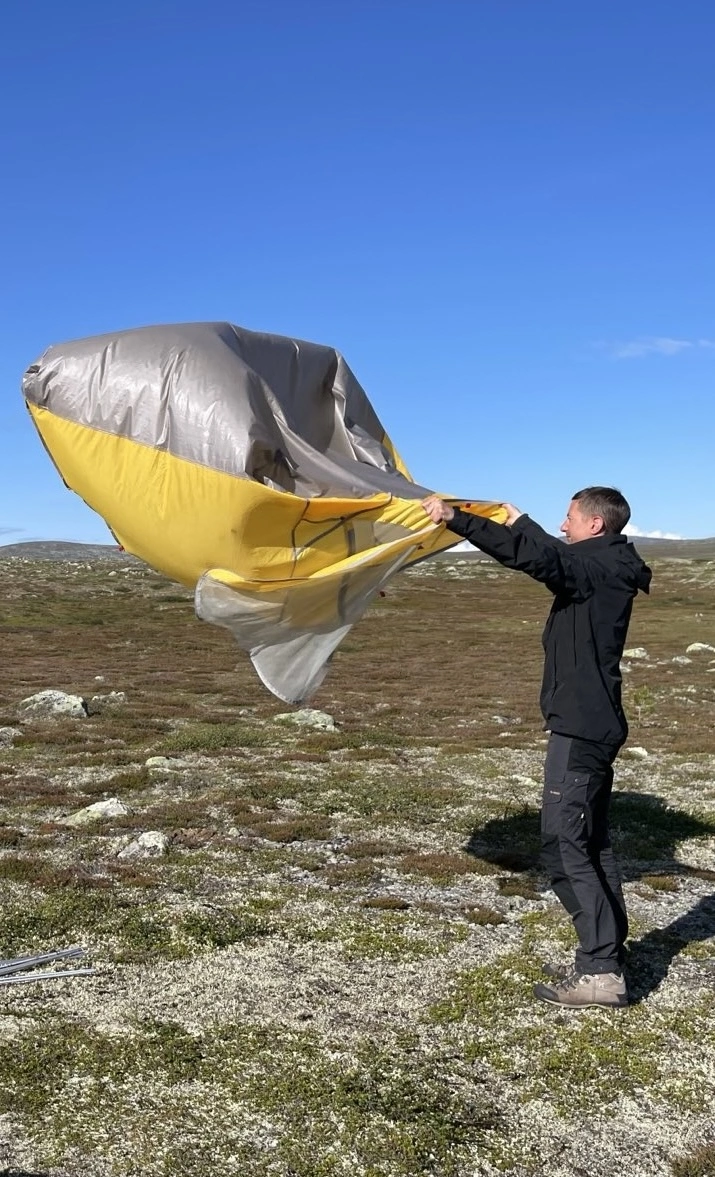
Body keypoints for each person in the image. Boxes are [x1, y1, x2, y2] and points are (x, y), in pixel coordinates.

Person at [421, 487, 652, 1009]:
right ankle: (609, 953)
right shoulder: (606, 563)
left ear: (594, 524)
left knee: (563, 846)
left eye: (569, 516)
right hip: (593, 724)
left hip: (580, 730)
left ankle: (601, 972)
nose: (563, 523)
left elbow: (543, 560)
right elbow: (556, 554)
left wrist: (458, 521)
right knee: (591, 843)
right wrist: (519, 519)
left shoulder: (594, 570)